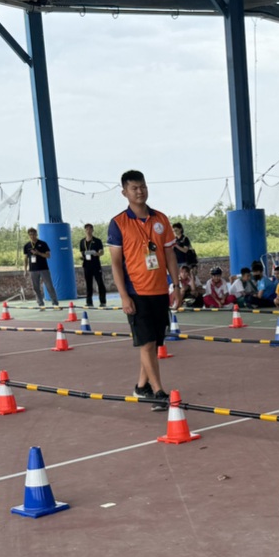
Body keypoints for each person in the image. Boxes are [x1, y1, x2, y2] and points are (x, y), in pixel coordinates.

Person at [107, 170, 177, 407]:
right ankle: (158, 393)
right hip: (136, 293)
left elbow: (169, 254)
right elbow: (115, 263)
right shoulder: (118, 223)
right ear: (124, 192)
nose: (140, 191)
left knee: (154, 343)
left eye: (143, 186)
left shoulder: (161, 219)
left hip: (160, 291)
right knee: (147, 343)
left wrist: (176, 285)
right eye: (134, 188)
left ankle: (141, 386)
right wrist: (124, 296)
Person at [24, 227, 58, 307]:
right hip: (33, 270)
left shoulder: (43, 244)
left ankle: (55, 302)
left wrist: (38, 253)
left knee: (49, 286)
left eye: (34, 234)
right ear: (29, 236)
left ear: (36, 234)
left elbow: (48, 255)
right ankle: (40, 303)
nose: (32, 236)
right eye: (30, 235)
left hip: (43, 268)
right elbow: (25, 258)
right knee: (36, 287)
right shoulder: (26, 246)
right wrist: (25, 270)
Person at [79, 223, 107, 306]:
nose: (88, 231)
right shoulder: (82, 241)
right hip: (87, 265)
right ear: (85, 231)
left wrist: (97, 254)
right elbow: (82, 252)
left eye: (90, 229)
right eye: (86, 229)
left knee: (100, 282)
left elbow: (101, 252)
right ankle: (89, 301)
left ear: (92, 230)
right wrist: (82, 257)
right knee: (88, 283)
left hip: (95, 264)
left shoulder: (97, 241)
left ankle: (102, 301)